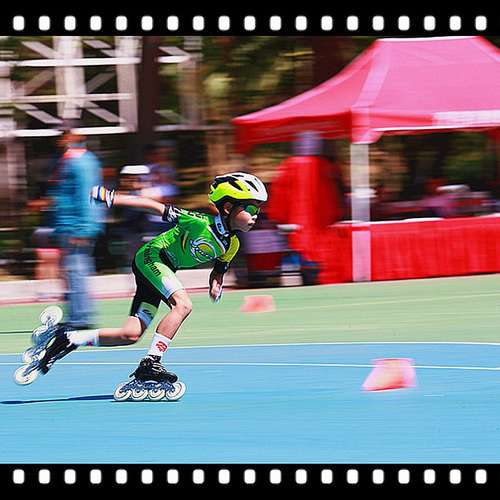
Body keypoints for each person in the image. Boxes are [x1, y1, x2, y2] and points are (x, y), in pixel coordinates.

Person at [20, 172, 267, 400]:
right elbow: (152, 206)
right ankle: (151, 363)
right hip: (152, 258)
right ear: (228, 207)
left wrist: (216, 284)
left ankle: (69, 337)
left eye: (258, 209)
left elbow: (219, 270)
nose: (256, 214)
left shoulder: (232, 245)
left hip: (162, 270)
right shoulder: (199, 222)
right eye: (250, 208)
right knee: (183, 305)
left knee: (130, 334)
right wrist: (111, 197)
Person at [45, 124, 103, 329]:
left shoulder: (81, 162)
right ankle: (77, 314)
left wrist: (83, 228)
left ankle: (81, 318)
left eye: (64, 136)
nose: (60, 140)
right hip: (68, 225)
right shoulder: (69, 160)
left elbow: (86, 195)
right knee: (72, 272)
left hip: (76, 226)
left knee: (77, 271)